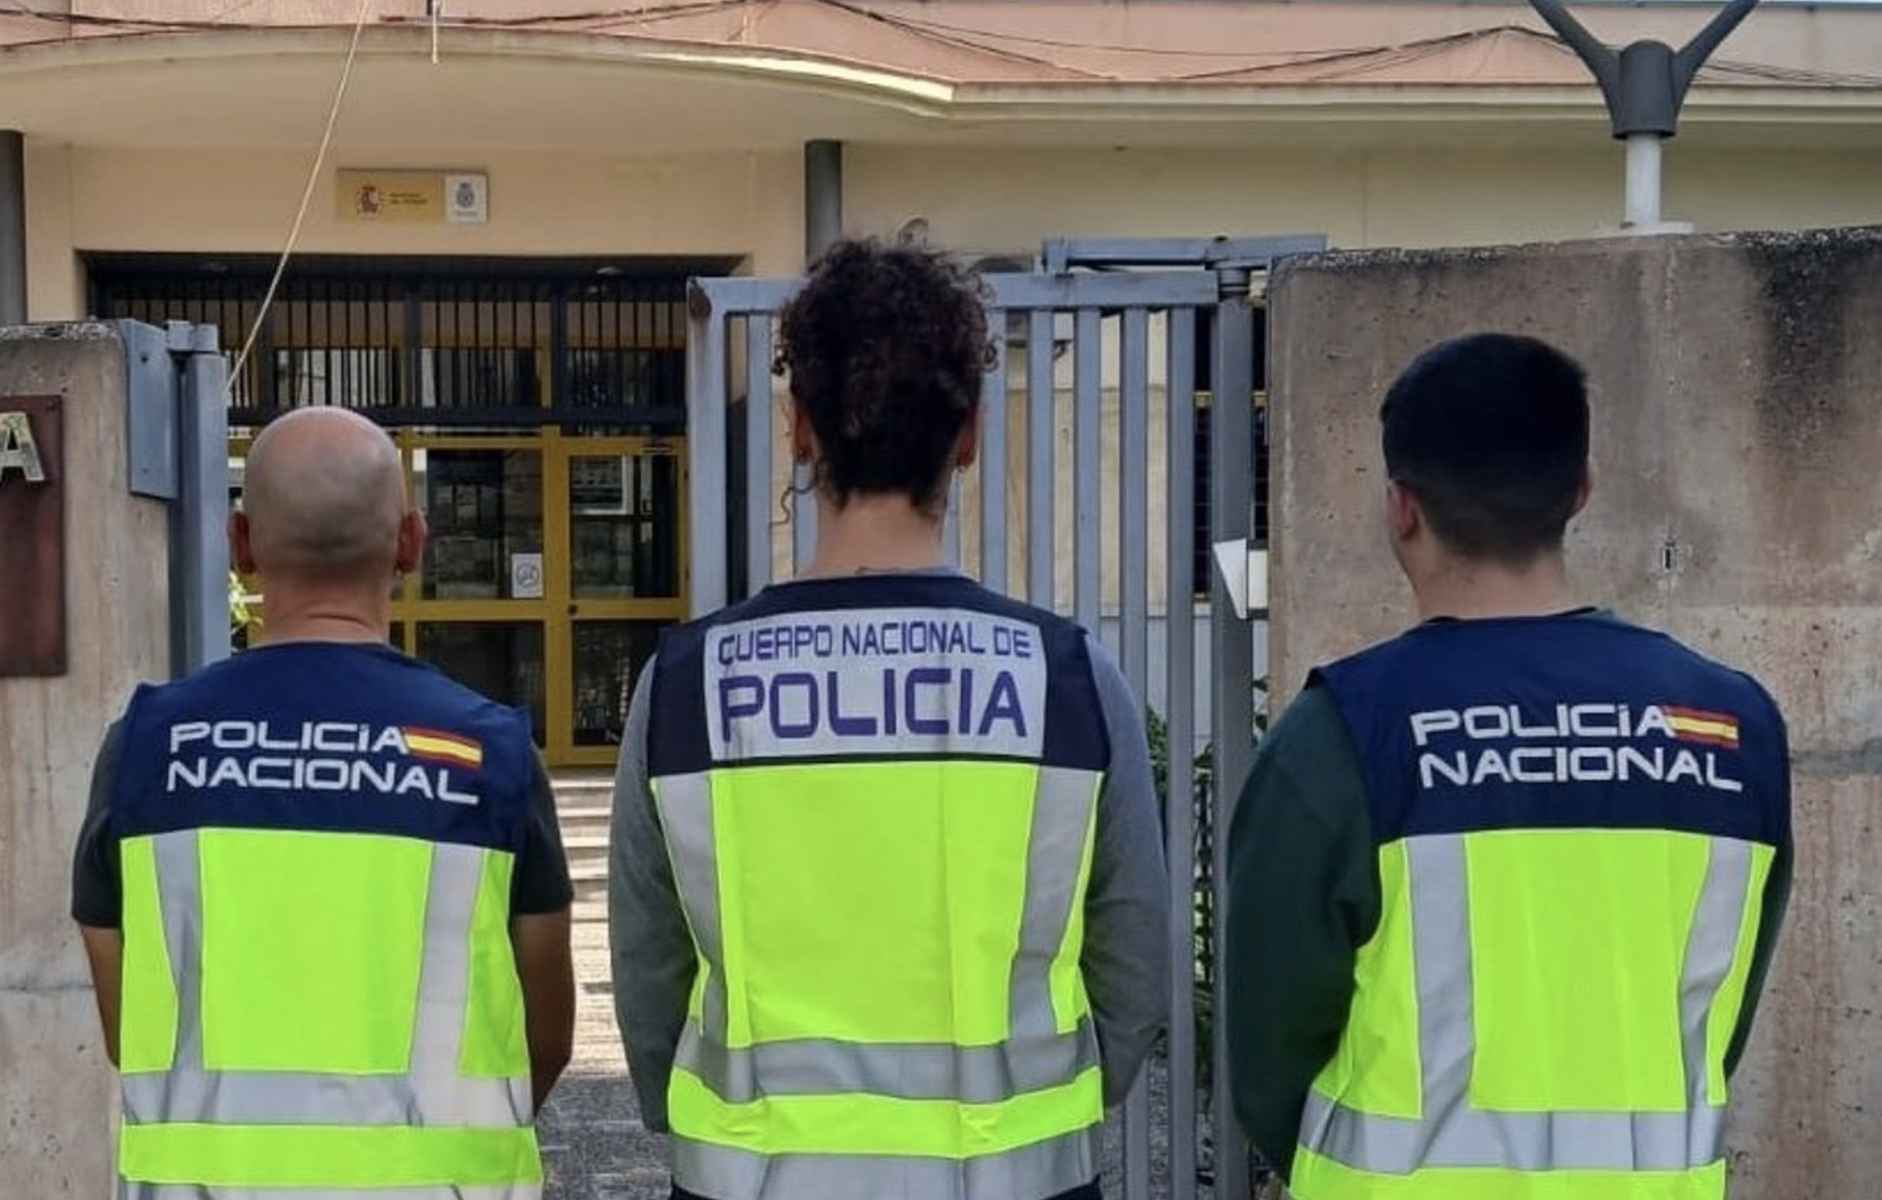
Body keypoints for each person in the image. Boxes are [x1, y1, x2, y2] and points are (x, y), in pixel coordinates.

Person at [610, 239, 1170, 1200]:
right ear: (969, 434)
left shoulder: (686, 686)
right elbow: (1132, 973)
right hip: (1012, 1178)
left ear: (799, 429)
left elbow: (649, 973)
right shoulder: (1067, 679)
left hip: (752, 1180)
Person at [1226, 334, 1791, 1199]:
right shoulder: (1730, 726)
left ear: (1401, 508)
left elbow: (1271, 1051)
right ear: (1582, 489)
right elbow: (1722, 1013)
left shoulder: (1343, 733)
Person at [71, 407, 576, 1198]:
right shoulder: (489, 755)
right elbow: (544, 1035)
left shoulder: (144, 749)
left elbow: (126, 1027)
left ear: (241, 544)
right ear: (411, 542)